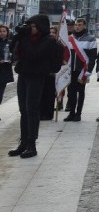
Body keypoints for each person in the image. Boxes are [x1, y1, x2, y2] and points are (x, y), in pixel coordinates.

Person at [8, 15, 61, 158]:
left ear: (40, 27)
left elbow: (33, 54)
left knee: (32, 109)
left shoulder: (47, 40)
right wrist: (18, 36)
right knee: (23, 110)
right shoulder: (25, 38)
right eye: (29, 26)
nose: (30, 29)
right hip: (24, 74)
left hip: (36, 76)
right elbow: (14, 50)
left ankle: (32, 145)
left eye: (33, 26)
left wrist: (23, 39)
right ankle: (23, 143)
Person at [64, 17, 97, 122]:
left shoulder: (91, 39)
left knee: (81, 92)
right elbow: (66, 54)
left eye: (80, 25)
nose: (77, 27)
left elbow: (93, 57)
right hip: (71, 70)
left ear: (84, 26)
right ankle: (71, 113)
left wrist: (89, 71)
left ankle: (78, 113)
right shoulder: (70, 38)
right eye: (76, 25)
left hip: (82, 70)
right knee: (71, 92)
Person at [0, 25, 13, 114]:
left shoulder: (10, 43)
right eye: (0, 31)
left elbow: (14, 54)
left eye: (4, 31)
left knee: (0, 93)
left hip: (4, 70)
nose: (2, 33)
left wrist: (11, 59)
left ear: (7, 32)